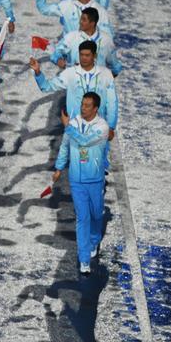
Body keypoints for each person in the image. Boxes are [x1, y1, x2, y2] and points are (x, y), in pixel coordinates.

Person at [51, 93, 110, 275]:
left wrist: (68, 126)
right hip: (76, 180)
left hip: (95, 179)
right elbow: (65, 146)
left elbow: (85, 142)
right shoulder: (74, 123)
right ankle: (84, 260)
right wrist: (59, 167)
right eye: (82, 104)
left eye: (87, 105)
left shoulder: (102, 127)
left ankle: (94, 240)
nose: (83, 108)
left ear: (95, 108)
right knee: (82, 218)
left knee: (96, 215)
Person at [29, 41, 119, 139]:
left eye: (87, 55)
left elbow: (112, 102)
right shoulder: (70, 73)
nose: (84, 58)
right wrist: (37, 71)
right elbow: (46, 87)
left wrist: (111, 126)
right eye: (81, 55)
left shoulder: (106, 74)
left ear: (94, 56)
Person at [51, 8, 122, 76]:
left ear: (92, 23)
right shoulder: (70, 37)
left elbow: (115, 66)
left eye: (84, 20)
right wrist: (58, 60)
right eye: (80, 19)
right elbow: (55, 53)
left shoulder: (106, 40)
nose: (80, 22)